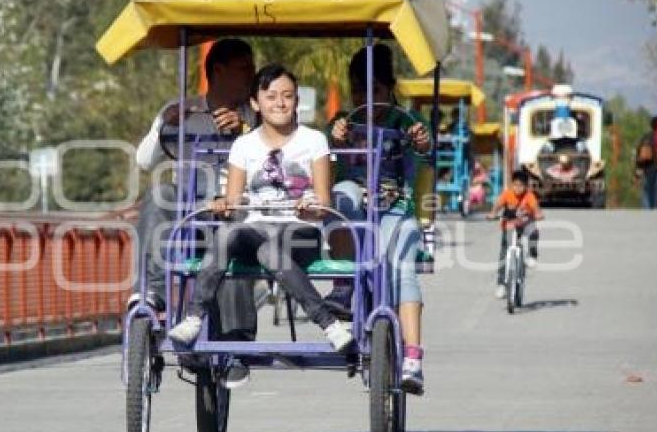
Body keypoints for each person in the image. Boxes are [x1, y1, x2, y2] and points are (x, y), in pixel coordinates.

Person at [168, 64, 354, 388]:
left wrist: (310, 209)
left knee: (270, 251)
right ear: (255, 103)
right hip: (255, 229)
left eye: (287, 97)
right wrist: (222, 206)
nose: (280, 104)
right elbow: (234, 201)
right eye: (271, 97)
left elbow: (324, 204)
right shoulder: (244, 145)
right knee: (226, 236)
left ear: (296, 102)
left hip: (299, 229)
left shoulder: (314, 141)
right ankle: (194, 317)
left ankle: (328, 323)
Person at [325, 44, 432, 395]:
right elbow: (329, 141)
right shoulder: (343, 122)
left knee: (402, 271)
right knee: (341, 194)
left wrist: (421, 139)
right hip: (355, 216)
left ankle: (413, 357)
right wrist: (336, 137)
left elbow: (423, 144)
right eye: (358, 92)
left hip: (394, 212)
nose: (366, 100)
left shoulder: (407, 122)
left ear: (390, 89)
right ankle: (344, 285)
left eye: (375, 92)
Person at [129, 39, 256, 317]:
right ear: (219, 71)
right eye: (244, 68)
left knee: (235, 228)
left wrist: (245, 129)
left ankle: (234, 338)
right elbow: (144, 161)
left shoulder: (256, 114)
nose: (252, 75)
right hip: (189, 209)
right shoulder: (181, 109)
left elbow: (274, 162)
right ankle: (150, 292)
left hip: (234, 208)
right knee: (160, 194)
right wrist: (165, 125)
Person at [487, 171, 544, 299]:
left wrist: (538, 214)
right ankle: (501, 285)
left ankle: (532, 256)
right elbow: (498, 205)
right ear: (512, 185)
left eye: (521, 185)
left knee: (534, 231)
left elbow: (536, 209)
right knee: (504, 253)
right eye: (515, 185)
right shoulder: (507, 194)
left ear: (526, 186)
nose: (518, 188)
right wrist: (492, 213)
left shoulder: (529, 196)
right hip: (510, 225)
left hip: (525, 224)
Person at [634, 116, 657, 210]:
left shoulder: (646, 137)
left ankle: (647, 211)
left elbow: (639, 153)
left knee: (647, 189)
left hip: (648, 167)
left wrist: (637, 169)